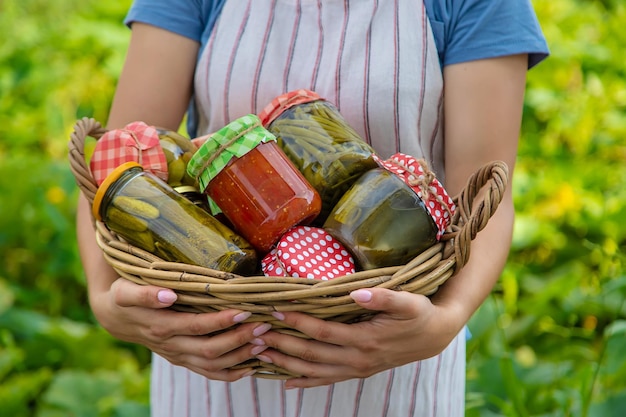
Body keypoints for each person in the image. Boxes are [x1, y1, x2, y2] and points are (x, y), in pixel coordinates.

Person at [76, 1, 549, 415]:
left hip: (395, 357)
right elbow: (119, 170)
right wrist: (104, 299)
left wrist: (447, 319)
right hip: (213, 352)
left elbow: (486, 197)